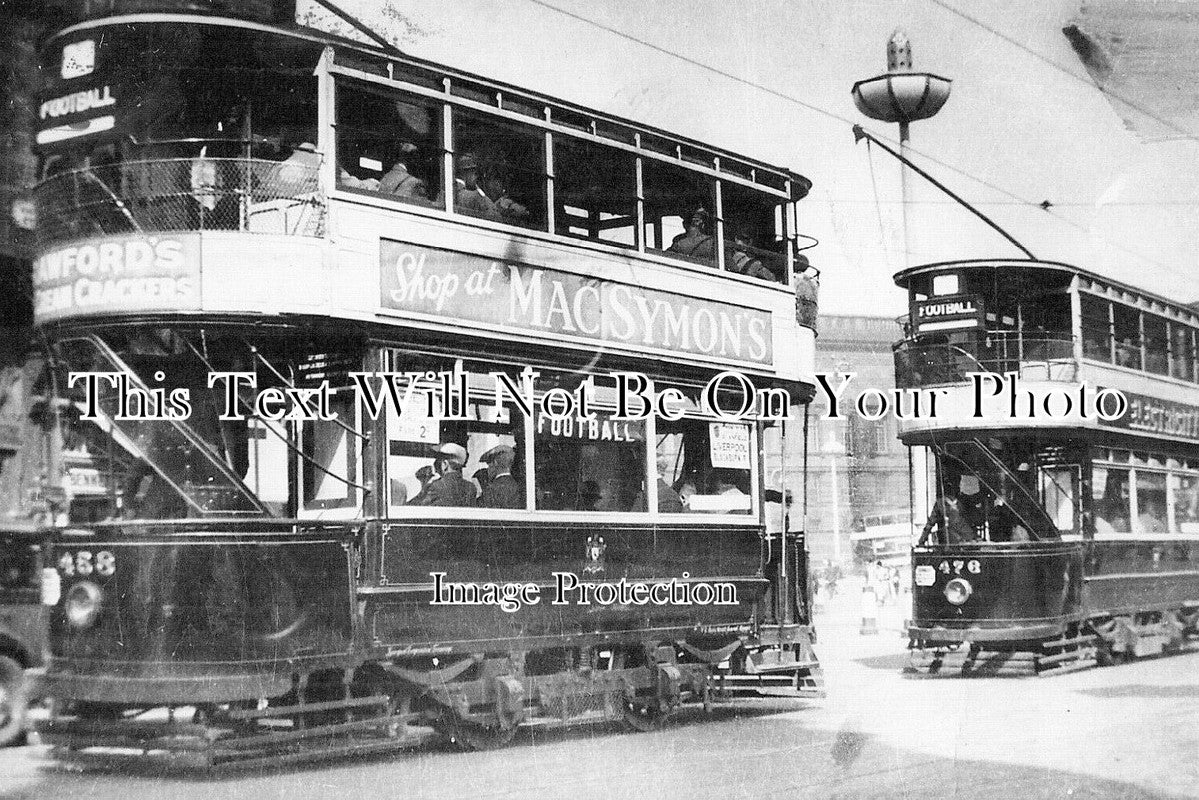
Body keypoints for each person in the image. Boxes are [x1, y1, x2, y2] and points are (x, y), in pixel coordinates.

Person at [409, 443, 476, 507]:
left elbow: (414, 508)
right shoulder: (471, 488)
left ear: (445, 464)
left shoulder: (436, 486)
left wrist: (425, 489)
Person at [917, 478, 979, 545]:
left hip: (950, 539)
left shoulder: (940, 503)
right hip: (967, 537)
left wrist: (922, 540)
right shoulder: (963, 500)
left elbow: (930, 523)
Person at [478, 444, 523, 509]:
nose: (488, 470)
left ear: (495, 462)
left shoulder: (491, 489)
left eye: (489, 465)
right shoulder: (518, 486)